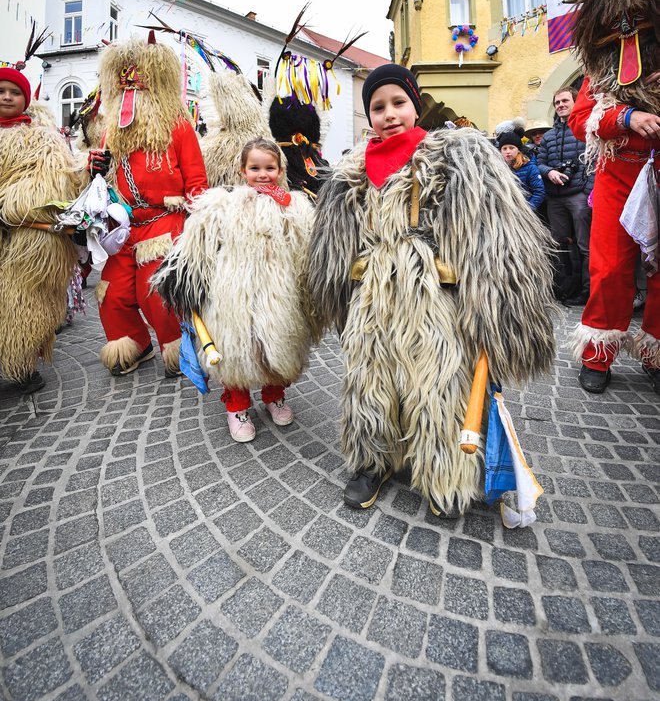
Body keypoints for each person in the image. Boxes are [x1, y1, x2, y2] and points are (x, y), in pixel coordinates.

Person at [307, 64, 555, 516]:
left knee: (436, 381)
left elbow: (489, 229)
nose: (389, 114)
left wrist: (491, 304)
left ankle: (444, 473)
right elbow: (334, 241)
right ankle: (371, 460)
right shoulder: (351, 171)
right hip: (373, 293)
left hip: (433, 293)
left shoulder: (449, 155)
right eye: (378, 107)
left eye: (398, 103)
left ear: (414, 105)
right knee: (369, 378)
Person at [153, 137, 314, 442]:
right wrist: (185, 278)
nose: (262, 174)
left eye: (269, 167)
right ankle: (237, 405)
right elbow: (198, 241)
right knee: (233, 349)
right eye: (255, 167)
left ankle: (274, 394)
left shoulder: (294, 207)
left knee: (278, 346)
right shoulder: (223, 205)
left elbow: (305, 251)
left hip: (277, 295)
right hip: (232, 295)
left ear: (280, 169)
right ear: (243, 170)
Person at [567, 0, 660, 396]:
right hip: (616, 178)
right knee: (609, 269)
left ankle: (655, 354)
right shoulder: (598, 74)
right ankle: (598, 356)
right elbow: (581, 119)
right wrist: (627, 117)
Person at [91, 33, 208, 377]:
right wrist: (93, 169)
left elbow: (197, 181)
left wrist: (198, 223)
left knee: (153, 290)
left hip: (165, 219)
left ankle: (178, 346)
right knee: (111, 293)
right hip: (124, 225)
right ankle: (134, 344)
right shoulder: (112, 130)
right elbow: (102, 176)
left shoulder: (179, 125)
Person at [0, 65, 82, 395]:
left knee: (24, 305)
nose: (7, 97)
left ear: (25, 98)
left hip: (26, 239)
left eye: (15, 92)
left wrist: (8, 205)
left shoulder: (42, 141)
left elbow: (52, 187)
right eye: (1, 91)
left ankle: (20, 365)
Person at [537, 87, 593, 306]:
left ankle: (588, 291)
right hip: (555, 198)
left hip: (578, 196)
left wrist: (586, 191)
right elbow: (540, 162)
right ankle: (564, 287)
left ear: (575, 102)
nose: (560, 105)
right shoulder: (549, 136)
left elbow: (593, 162)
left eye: (564, 101)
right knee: (559, 244)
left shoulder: (586, 130)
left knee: (584, 245)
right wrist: (549, 172)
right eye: (557, 102)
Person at [496, 129, 545, 211]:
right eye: (504, 148)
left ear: (518, 150)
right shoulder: (497, 168)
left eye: (512, 148)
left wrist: (527, 211)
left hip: (525, 213)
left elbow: (539, 192)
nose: (508, 151)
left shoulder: (530, 167)